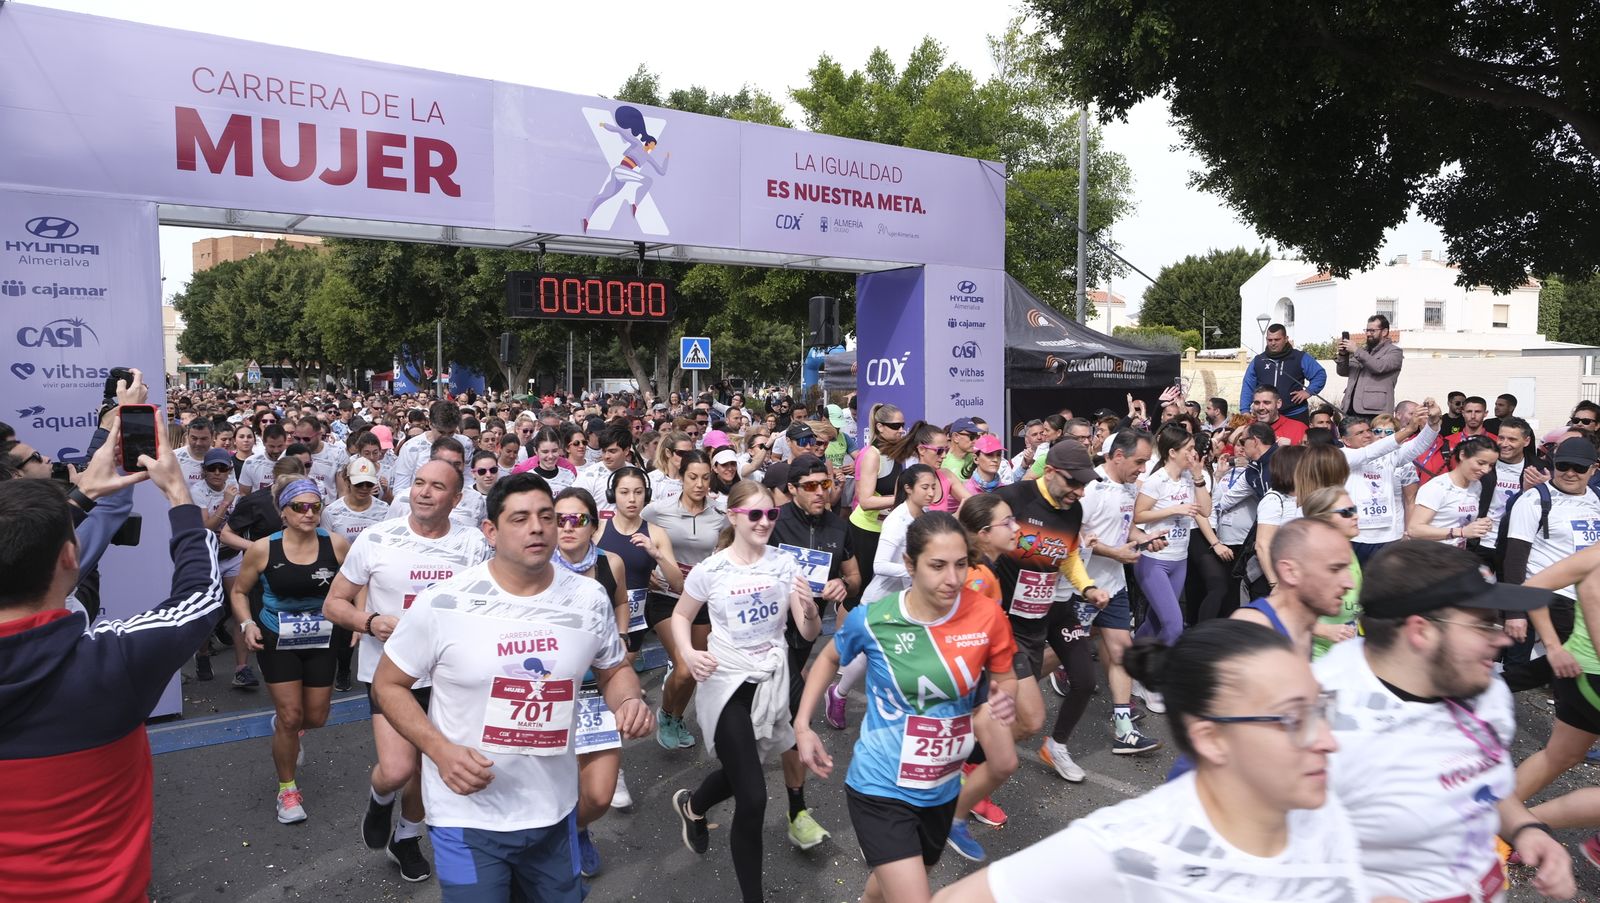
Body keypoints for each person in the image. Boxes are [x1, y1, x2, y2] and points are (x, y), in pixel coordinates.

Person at [935, 620, 1367, 903]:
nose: (1328, 741)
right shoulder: (1135, 846)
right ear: (1212, 739)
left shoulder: (1329, 820)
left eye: (1321, 709)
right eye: (1293, 718)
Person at [372, 473, 652, 903]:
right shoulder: (444, 602)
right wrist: (439, 751)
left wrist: (629, 700)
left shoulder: (589, 598)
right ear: (491, 531)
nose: (536, 528)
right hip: (467, 814)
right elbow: (388, 684)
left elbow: (613, 670)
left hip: (553, 809)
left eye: (546, 516)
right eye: (519, 519)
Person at [0, 422, 225, 903]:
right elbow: (201, 597)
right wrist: (178, 495)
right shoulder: (112, 662)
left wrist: (81, 497)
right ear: (70, 557)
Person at [1314, 540, 1574, 902]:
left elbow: (1480, 786)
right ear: (1421, 631)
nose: (1501, 639)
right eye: (1482, 625)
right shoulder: (1321, 723)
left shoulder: (1481, 686)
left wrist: (1526, 828)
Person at [794, 512, 1017, 899]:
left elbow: (1006, 677)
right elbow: (829, 657)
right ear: (910, 565)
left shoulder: (987, 615)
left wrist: (1004, 699)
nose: (953, 578)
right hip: (880, 785)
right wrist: (802, 725)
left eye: (961, 564)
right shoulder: (875, 619)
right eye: (937, 566)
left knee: (889, 887)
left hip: (942, 787)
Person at [322, 459, 492, 883]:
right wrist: (370, 622)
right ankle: (380, 798)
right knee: (399, 769)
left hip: (450, 677)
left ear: (457, 498)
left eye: (437, 486)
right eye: (418, 483)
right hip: (391, 674)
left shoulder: (472, 543)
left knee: (429, 768)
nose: (424, 492)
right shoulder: (377, 539)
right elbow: (333, 604)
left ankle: (407, 836)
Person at [669, 480, 819, 903]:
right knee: (753, 796)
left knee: (742, 773)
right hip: (726, 681)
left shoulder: (785, 564)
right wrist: (688, 653)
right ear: (733, 517)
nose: (764, 522)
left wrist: (809, 609)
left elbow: (808, 631)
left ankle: (693, 805)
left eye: (771, 513)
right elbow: (681, 616)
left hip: (771, 680)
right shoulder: (712, 569)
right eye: (754, 514)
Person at [231, 478, 350, 824]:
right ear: (283, 512)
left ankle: (291, 728)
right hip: (276, 636)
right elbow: (239, 591)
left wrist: (359, 621)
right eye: (300, 507)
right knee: (290, 714)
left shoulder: (336, 544)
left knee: (316, 717)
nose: (309, 513)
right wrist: (247, 624)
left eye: (315, 506)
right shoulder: (263, 549)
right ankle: (287, 791)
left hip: (322, 636)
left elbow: (357, 583)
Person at [990, 441, 1109, 783]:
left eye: (1084, 484)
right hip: (1008, 620)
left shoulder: (1073, 511)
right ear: (1051, 472)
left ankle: (1055, 746)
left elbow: (1067, 555)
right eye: (1074, 483)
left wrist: (1088, 587)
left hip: (1050, 608)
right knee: (1023, 712)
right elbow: (972, 535)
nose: (1080, 492)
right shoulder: (1012, 498)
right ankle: (975, 760)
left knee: (1084, 680)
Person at [769, 454, 860, 848]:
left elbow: (854, 576)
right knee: (788, 719)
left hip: (803, 638)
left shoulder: (839, 527)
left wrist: (843, 585)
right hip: (765, 638)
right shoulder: (773, 522)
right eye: (810, 486)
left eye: (826, 484)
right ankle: (797, 812)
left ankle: (699, 803)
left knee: (782, 721)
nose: (821, 492)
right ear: (792, 489)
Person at [549, 487, 632, 878]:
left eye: (577, 519)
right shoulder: (536, 567)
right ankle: (562, 838)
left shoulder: (610, 562)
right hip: (549, 692)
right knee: (555, 780)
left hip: (597, 688)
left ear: (593, 526)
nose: (567, 527)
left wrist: (622, 635)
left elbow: (621, 601)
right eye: (559, 519)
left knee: (599, 794)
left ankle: (578, 826)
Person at [1076, 429, 1166, 755]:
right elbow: (1076, 537)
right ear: (1117, 457)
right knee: (1061, 651)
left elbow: (1125, 527)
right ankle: (1011, 684)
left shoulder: (1128, 487)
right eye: (1139, 462)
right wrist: (1115, 553)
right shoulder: (1090, 488)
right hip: (1082, 588)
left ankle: (1124, 729)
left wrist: (1143, 538)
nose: (1143, 469)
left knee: (1121, 652)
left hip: (1113, 586)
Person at [640, 454, 724, 750]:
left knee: (696, 670)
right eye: (693, 477)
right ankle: (665, 714)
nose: (699, 484)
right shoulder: (658, 509)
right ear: (682, 477)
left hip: (699, 599)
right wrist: (644, 571)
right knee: (685, 667)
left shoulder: (720, 513)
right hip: (665, 596)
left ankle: (676, 718)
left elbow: (730, 548)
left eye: (705, 478)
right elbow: (629, 534)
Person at [1134, 424, 1221, 645]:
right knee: (1174, 626)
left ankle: (1130, 660)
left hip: (1179, 560)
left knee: (1155, 622)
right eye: (1189, 449)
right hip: (1154, 561)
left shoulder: (1190, 478)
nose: (1194, 453)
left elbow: (1206, 511)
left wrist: (1198, 476)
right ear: (1172, 452)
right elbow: (1138, 516)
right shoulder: (1157, 480)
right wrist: (1173, 510)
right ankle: (1163, 666)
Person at [596, 465, 683, 663]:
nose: (632, 499)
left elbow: (678, 584)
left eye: (638, 492)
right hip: (601, 617)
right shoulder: (598, 530)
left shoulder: (656, 532)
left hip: (634, 621)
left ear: (647, 494)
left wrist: (657, 555)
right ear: (612, 494)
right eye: (624, 492)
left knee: (622, 670)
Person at [1408, 435, 1498, 549]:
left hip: (1456, 555)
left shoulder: (1476, 485)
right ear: (1462, 455)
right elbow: (1414, 529)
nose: (1486, 470)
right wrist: (1461, 532)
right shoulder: (1437, 487)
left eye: (1491, 465)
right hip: (1431, 555)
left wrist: (1479, 525)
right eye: (1481, 463)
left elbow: (1457, 520)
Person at [1239, 323, 1327, 421]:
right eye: (1270, 340)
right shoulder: (1258, 360)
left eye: (1277, 339)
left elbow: (1319, 374)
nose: (1273, 343)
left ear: (1286, 339)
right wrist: (1245, 410)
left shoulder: (1300, 357)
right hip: (1265, 416)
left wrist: (1308, 391)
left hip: (1295, 414)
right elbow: (1248, 386)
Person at [1336, 313, 1404, 416]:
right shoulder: (1363, 352)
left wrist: (1356, 350)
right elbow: (1343, 372)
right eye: (1367, 330)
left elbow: (1378, 367)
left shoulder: (1394, 352)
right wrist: (1343, 355)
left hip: (1375, 412)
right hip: (1350, 409)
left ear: (1384, 332)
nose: (1368, 334)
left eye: (1372, 331)